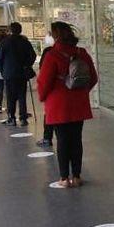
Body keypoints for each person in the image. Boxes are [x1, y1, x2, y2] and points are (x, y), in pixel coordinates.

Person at [37, 22, 97, 188]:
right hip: (79, 104)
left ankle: (64, 178)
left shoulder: (52, 55)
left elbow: (44, 82)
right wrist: (82, 92)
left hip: (58, 105)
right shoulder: (82, 53)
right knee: (76, 140)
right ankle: (77, 176)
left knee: (62, 141)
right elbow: (93, 78)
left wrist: (43, 97)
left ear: (55, 36)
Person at [0, 22, 36, 126]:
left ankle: (11, 117)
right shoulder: (25, 42)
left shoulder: (5, 42)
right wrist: (27, 65)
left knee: (10, 96)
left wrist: (3, 71)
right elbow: (33, 55)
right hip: (22, 73)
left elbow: (0, 59)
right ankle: (23, 118)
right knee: (21, 95)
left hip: (9, 73)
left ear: (10, 30)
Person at [36, 43, 55, 148]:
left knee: (49, 115)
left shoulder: (49, 55)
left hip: (53, 96)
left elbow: (44, 82)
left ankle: (47, 138)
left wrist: (42, 96)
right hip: (70, 97)